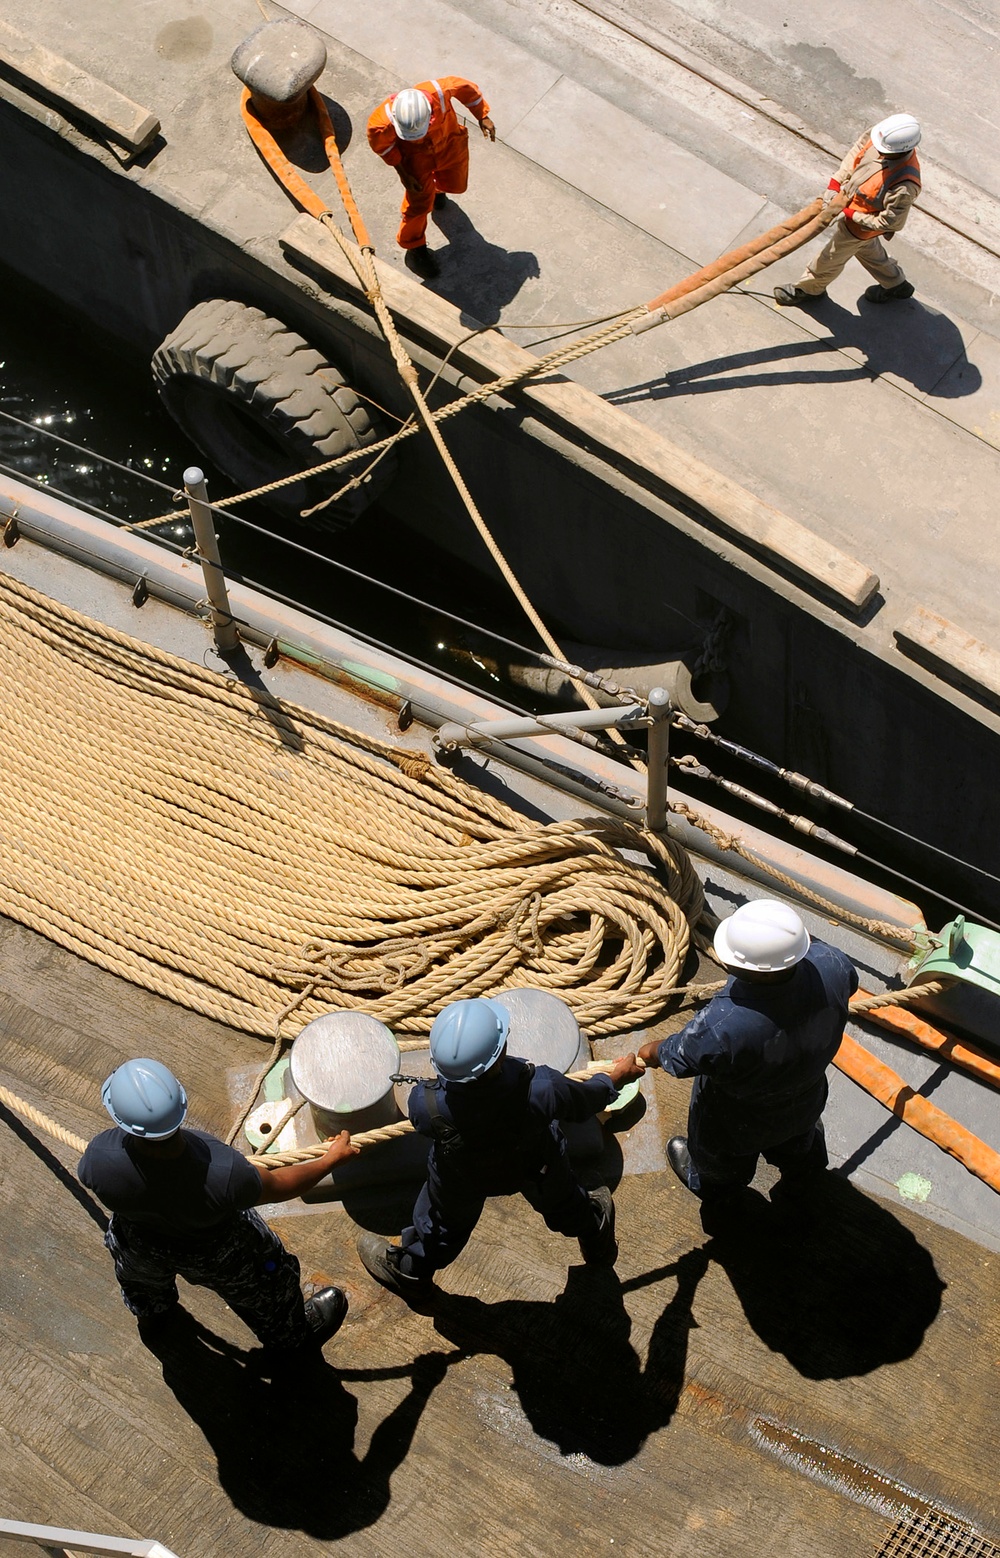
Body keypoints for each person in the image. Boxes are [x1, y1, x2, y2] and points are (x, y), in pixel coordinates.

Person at [356, 997, 644, 1297]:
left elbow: (430, 1115)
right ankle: (596, 1237)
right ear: (501, 1051)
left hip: (461, 1179)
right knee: (564, 1202)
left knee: (440, 1226)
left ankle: (411, 1270)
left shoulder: (424, 1104)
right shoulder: (541, 1089)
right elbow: (583, 1101)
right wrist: (613, 1080)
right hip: (536, 1168)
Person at [79, 1057, 359, 1350]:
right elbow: (279, 1186)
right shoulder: (224, 1172)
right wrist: (330, 1160)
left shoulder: (100, 1156)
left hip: (140, 1242)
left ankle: (152, 1317)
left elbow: (90, 1174)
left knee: (140, 1282)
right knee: (268, 1290)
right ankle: (290, 1336)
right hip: (217, 1252)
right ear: (180, 1104)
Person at [637, 899, 858, 1212]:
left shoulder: (723, 1024)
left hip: (738, 1120)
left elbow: (678, 1056)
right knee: (800, 1142)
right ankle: (800, 1182)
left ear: (759, 972)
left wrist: (651, 1051)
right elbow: (843, 978)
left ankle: (714, 1184)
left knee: (720, 1159)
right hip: (805, 1097)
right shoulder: (833, 963)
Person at [774, 113, 921, 307]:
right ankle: (896, 284)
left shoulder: (904, 185)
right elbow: (857, 151)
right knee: (867, 249)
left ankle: (809, 290)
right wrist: (835, 185)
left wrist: (849, 213)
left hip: (859, 228)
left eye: (883, 151)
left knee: (829, 259)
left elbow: (890, 223)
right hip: (849, 210)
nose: (877, 151)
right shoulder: (880, 136)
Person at [367, 78, 496, 278]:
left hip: (448, 144)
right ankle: (415, 248)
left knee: (456, 183)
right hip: (415, 159)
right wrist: (405, 175)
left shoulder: (440, 91)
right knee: (418, 205)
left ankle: (437, 192)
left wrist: (482, 116)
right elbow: (385, 148)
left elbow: (467, 90)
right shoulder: (380, 124)